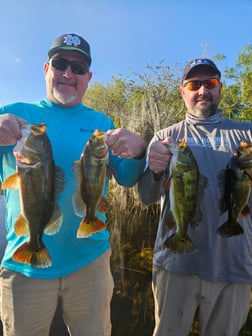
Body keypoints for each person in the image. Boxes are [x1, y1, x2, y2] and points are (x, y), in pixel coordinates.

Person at [0, 33, 146, 336]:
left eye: (78, 68)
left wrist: (139, 151)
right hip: (23, 264)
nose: (68, 73)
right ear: (45, 68)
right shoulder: (13, 113)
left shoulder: (102, 123)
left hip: (90, 261)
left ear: (88, 77)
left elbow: (129, 178)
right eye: (60, 63)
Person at [138, 58, 252, 336]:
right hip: (176, 263)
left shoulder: (247, 134)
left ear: (220, 87)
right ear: (183, 91)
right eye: (194, 84)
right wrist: (153, 171)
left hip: (234, 265)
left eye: (210, 83)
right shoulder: (165, 137)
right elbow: (146, 196)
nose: (202, 90)